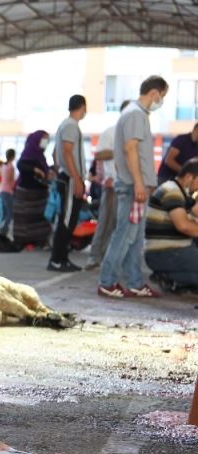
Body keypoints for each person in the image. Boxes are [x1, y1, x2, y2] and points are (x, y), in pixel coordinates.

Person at [98, 75, 169, 298]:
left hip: (135, 185)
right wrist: (139, 182)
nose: (161, 101)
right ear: (154, 92)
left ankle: (135, 282)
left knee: (135, 238)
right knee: (124, 236)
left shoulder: (136, 113)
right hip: (132, 185)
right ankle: (107, 282)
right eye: (162, 96)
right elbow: (130, 149)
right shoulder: (135, 114)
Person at [85, 100, 132, 270]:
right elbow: (99, 155)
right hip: (113, 184)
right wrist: (119, 151)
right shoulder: (110, 132)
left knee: (124, 226)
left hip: (130, 185)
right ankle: (95, 257)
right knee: (106, 222)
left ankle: (113, 259)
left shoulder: (136, 136)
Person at [144, 157, 198, 292]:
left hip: (177, 250)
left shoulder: (182, 193)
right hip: (165, 252)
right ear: (189, 177)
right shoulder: (171, 191)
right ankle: (170, 277)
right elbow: (183, 226)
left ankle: (170, 278)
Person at [47, 95, 87, 272]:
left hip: (67, 177)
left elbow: (55, 153)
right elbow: (67, 151)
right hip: (70, 179)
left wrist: (59, 171)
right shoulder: (71, 125)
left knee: (68, 220)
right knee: (66, 220)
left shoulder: (64, 125)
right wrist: (76, 179)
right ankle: (57, 259)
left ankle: (62, 258)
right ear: (82, 107)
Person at [13, 130, 53, 249]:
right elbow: (21, 165)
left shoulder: (41, 156)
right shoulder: (29, 152)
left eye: (47, 139)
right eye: (44, 139)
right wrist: (35, 169)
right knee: (24, 219)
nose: (46, 142)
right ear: (37, 140)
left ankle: (39, 241)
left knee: (39, 219)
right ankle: (22, 242)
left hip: (39, 195)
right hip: (26, 195)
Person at [0, 148, 16, 236]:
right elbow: (11, 181)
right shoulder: (11, 167)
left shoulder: (4, 166)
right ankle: (3, 230)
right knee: (10, 213)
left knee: (4, 213)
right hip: (7, 192)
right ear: (13, 156)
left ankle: (1, 230)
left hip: (1, 191)